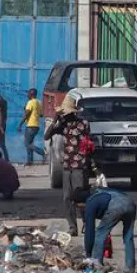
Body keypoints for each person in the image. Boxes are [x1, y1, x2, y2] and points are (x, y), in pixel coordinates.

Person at [46, 94, 91, 235]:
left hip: (80, 166)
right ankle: (73, 227)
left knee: (80, 197)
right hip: (67, 166)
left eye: (65, 112)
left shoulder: (83, 124)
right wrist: (55, 120)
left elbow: (87, 142)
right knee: (67, 198)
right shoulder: (62, 124)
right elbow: (47, 136)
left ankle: (85, 223)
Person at [73, 185, 137, 273]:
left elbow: (89, 231)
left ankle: (96, 265)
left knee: (100, 234)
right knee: (128, 237)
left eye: (77, 206)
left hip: (116, 206)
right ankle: (130, 269)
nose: (79, 209)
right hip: (130, 203)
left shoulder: (91, 202)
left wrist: (88, 254)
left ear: (81, 202)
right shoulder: (99, 192)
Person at [19, 88, 46, 166]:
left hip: (30, 125)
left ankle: (42, 152)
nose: (27, 95)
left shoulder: (30, 102)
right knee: (29, 143)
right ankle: (29, 161)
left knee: (27, 144)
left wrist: (20, 124)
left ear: (31, 94)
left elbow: (26, 114)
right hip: (36, 126)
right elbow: (41, 115)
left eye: (28, 93)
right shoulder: (39, 102)